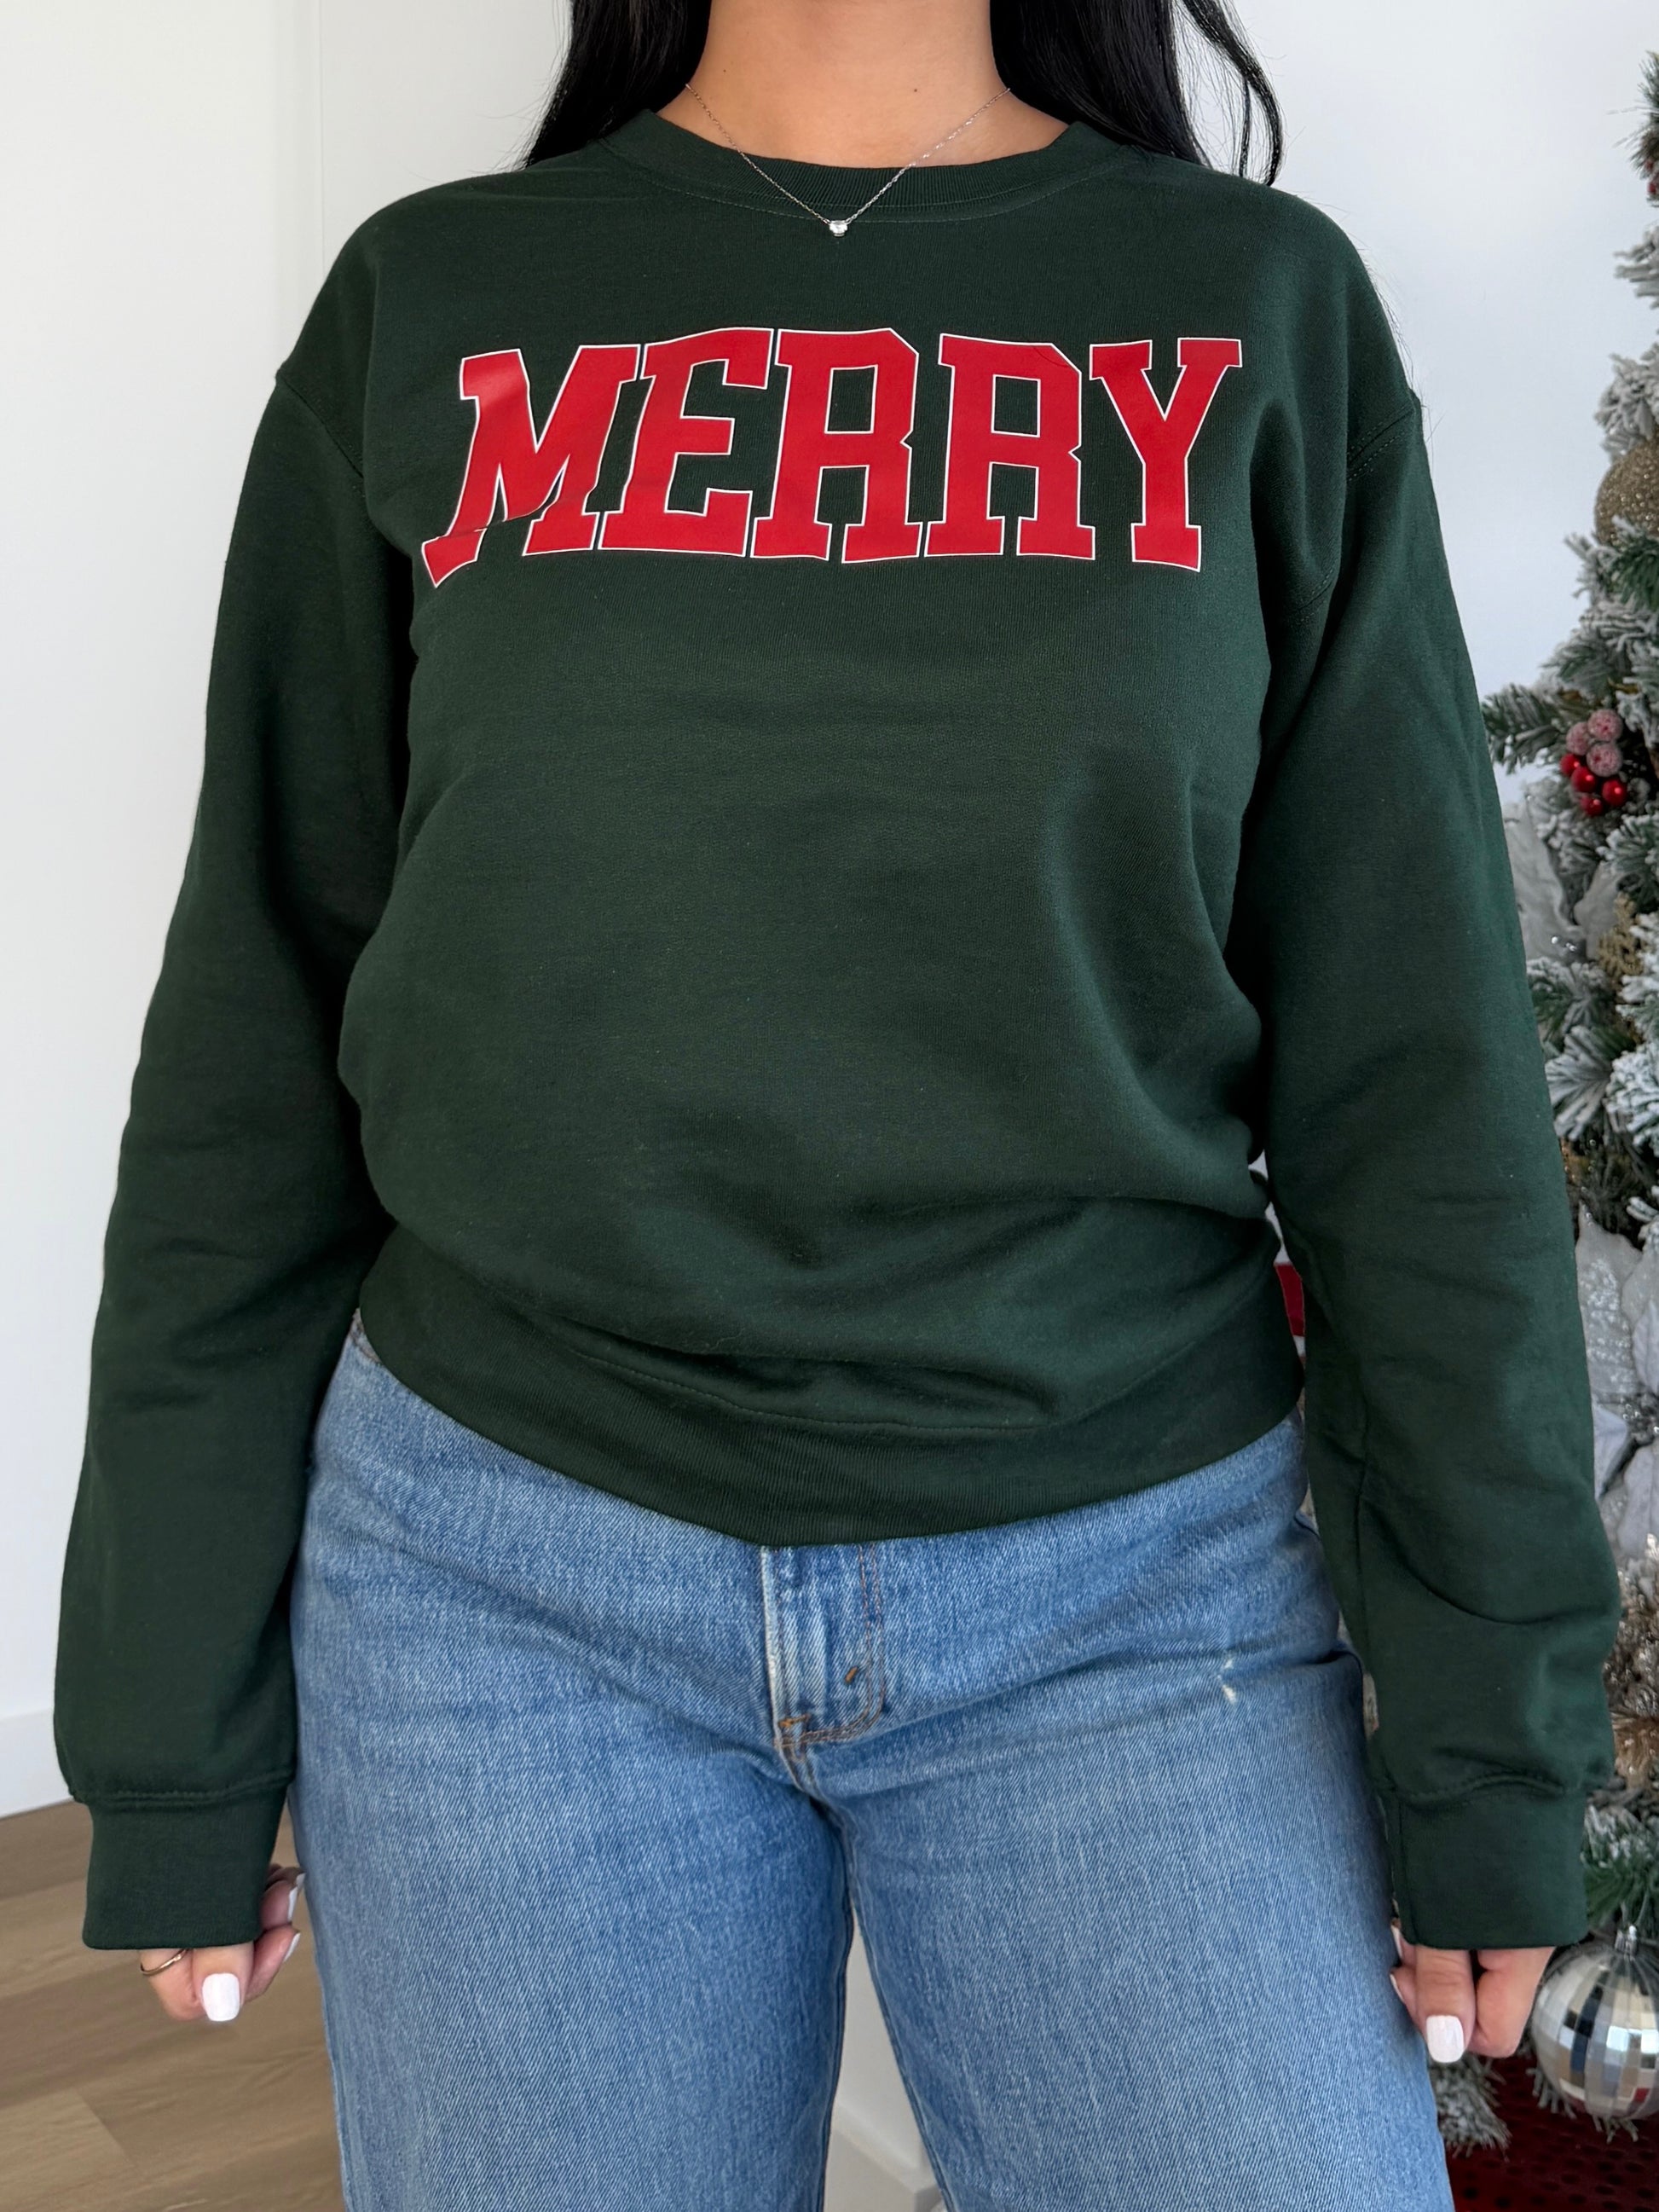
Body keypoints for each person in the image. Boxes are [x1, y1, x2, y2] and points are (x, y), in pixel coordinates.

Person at [54, 0, 1622, 2204]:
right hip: (503, 1582)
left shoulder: (1259, 313)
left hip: (1131, 1584)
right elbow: (254, 1047)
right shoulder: (434, 300)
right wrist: (172, 1716)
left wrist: (1488, 1737)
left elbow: (1418, 1088)